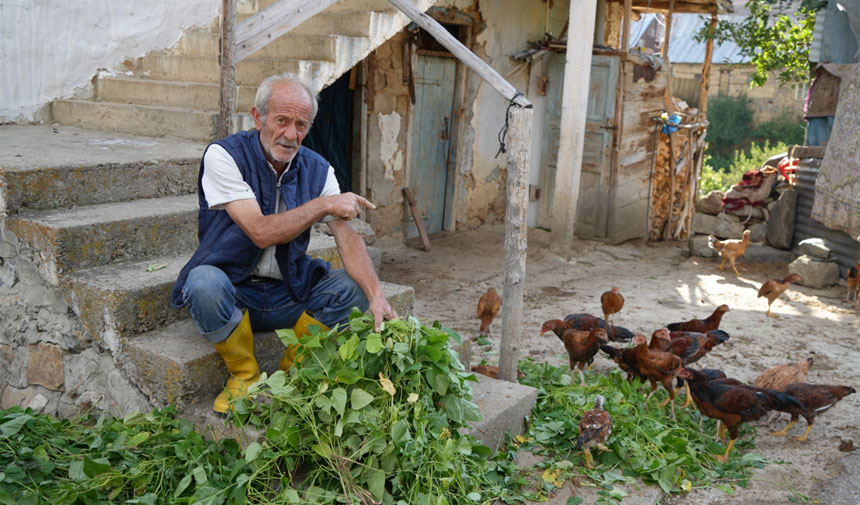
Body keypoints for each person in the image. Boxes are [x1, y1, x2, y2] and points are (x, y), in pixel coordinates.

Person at [169, 73, 397, 413]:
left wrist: (377, 296)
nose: (292, 135)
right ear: (258, 117)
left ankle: (290, 376)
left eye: (302, 125)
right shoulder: (225, 156)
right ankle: (244, 376)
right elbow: (259, 231)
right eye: (282, 121)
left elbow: (348, 239)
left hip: (288, 292)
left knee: (352, 286)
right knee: (202, 283)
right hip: (234, 290)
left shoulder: (319, 170)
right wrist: (322, 205)